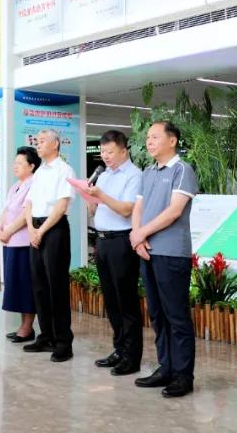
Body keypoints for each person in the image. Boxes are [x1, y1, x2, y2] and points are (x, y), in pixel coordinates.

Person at [130, 121, 199, 398]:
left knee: (176, 316)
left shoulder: (182, 170)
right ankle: (165, 368)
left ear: (172, 140)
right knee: (157, 314)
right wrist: (137, 236)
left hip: (171, 253)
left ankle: (183, 376)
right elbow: (138, 207)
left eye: (155, 137)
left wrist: (141, 233)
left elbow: (174, 211)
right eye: (148, 137)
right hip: (147, 250)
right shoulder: (147, 172)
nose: (149, 141)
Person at [88, 130, 143, 376]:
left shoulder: (134, 175)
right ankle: (119, 349)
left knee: (126, 300)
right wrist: (89, 195)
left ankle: (132, 357)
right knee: (111, 300)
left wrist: (100, 195)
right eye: (102, 152)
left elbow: (126, 210)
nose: (105, 156)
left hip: (122, 241)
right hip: (102, 241)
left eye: (110, 152)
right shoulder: (103, 176)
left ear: (123, 150)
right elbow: (95, 211)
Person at [23, 128, 76, 363]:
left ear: (55, 144)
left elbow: (61, 206)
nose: (38, 144)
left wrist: (41, 231)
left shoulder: (65, 170)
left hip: (54, 230)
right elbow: (29, 203)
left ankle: (63, 342)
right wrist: (31, 229)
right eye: (37, 141)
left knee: (57, 287)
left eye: (42, 141)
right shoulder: (40, 171)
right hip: (35, 228)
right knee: (39, 286)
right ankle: (46, 336)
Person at [0, 147, 39, 344]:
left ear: (31, 166)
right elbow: (6, 210)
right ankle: (23, 325)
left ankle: (27, 327)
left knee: (25, 285)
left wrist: (7, 231)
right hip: (10, 243)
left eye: (20, 163)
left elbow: (25, 215)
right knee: (14, 284)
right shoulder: (16, 185)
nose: (15, 166)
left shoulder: (34, 184)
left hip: (23, 242)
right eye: (14, 163)